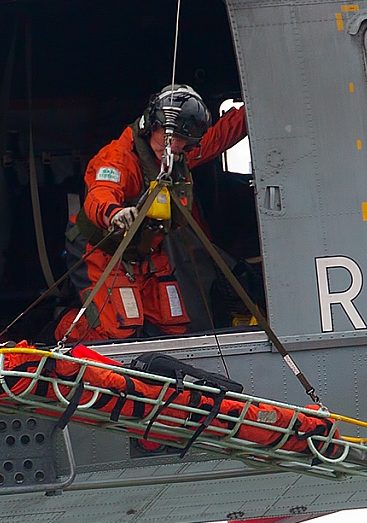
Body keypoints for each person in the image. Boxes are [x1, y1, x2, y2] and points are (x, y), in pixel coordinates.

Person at [55, 84, 248, 343]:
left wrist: (252, 111)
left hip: (146, 252)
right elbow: (101, 193)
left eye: (184, 142)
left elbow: (217, 139)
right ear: (151, 127)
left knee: (174, 326)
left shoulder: (176, 155)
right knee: (118, 330)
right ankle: (63, 330)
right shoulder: (117, 158)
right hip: (103, 251)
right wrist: (114, 214)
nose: (177, 146)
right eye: (173, 138)